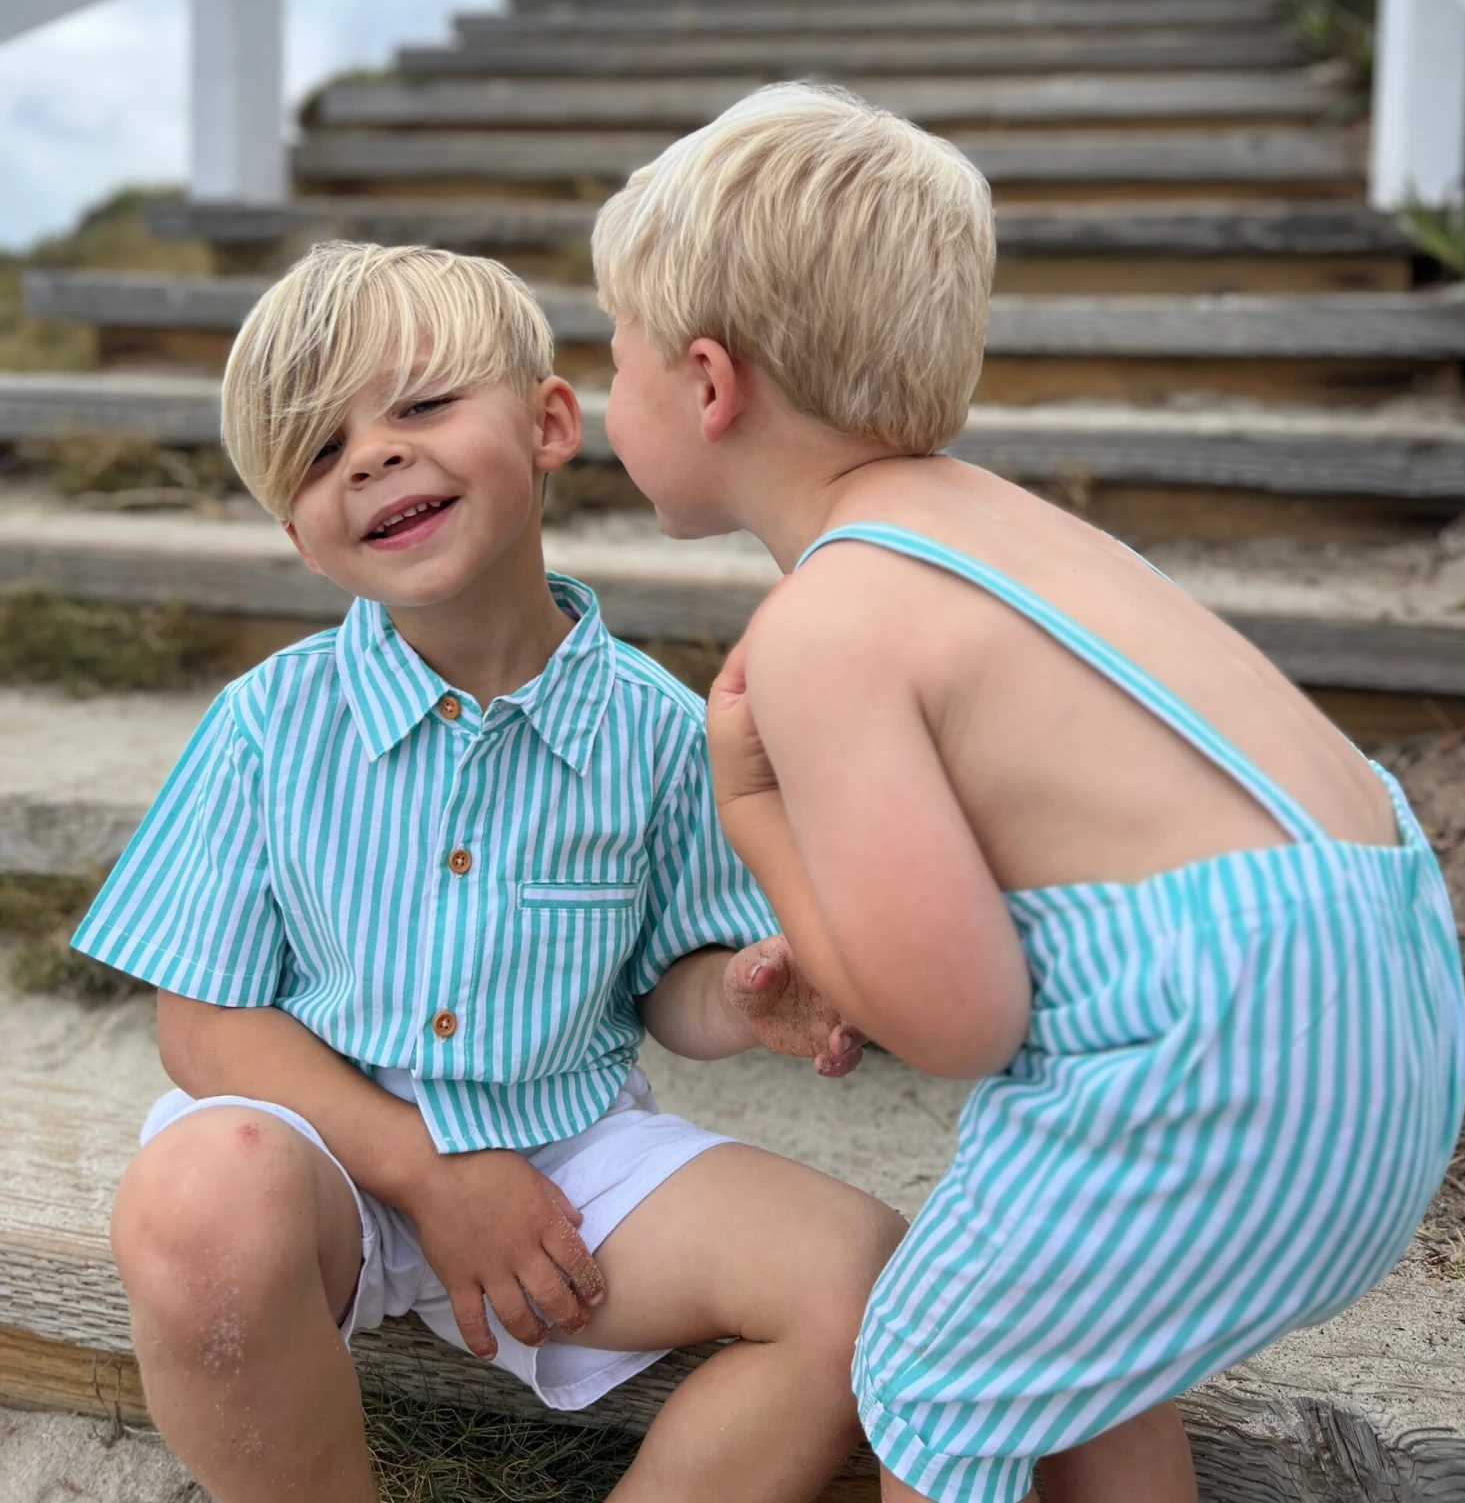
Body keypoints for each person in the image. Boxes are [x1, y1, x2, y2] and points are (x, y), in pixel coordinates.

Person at [591, 82, 1465, 1503]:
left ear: (707, 382)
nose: (602, 390)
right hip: (1378, 1022)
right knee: (1058, 1350)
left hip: (1225, 1054)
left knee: (928, 1376)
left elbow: (955, 1021)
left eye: (609, 349)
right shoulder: (1013, 531)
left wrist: (752, 807)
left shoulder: (831, 622)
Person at [73, 241, 904, 1503]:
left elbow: (670, 982)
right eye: (319, 451)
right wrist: (427, 1170)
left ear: (550, 421)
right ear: (302, 538)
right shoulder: (267, 724)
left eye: (419, 404)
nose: (371, 456)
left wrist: (742, 996)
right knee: (194, 1195)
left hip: (568, 1152)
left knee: (861, 1282)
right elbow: (201, 1023)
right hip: (326, 1148)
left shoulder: (657, 729)